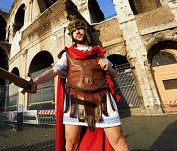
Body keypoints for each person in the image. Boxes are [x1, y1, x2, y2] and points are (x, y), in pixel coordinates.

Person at [29, 16, 129, 151]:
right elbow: (54, 71)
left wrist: (108, 68)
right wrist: (36, 81)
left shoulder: (99, 52)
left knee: (119, 141)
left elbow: (114, 74)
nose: (77, 32)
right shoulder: (67, 54)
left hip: (102, 100)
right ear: (72, 35)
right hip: (76, 100)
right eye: (74, 30)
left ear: (85, 31)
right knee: (71, 145)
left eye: (80, 28)